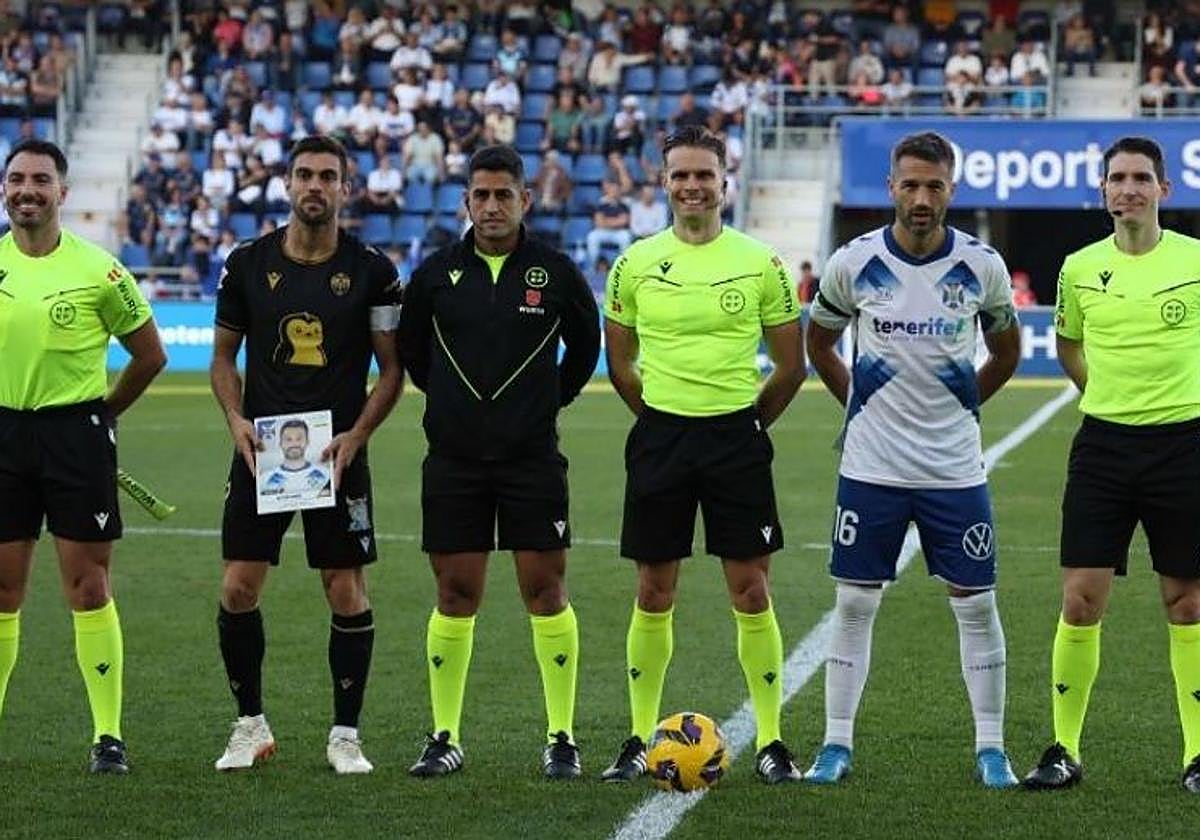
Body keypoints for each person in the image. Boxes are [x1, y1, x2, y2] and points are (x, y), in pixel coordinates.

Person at [802, 131, 1022, 789]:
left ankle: (991, 749)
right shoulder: (855, 262)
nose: (922, 199)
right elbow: (820, 343)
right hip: (870, 468)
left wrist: (965, 410)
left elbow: (1006, 352)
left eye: (934, 186)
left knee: (976, 605)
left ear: (950, 189)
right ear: (892, 187)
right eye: (911, 185)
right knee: (853, 605)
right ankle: (835, 745)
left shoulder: (983, 266)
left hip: (954, 470)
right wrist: (858, 409)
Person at [601, 125, 806, 785]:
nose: (693, 186)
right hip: (661, 438)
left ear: (725, 181)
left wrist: (744, 424)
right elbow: (621, 362)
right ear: (665, 182)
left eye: (704, 175)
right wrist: (663, 417)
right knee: (653, 590)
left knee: (750, 589)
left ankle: (772, 741)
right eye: (681, 175)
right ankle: (638, 737)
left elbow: (790, 366)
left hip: (734, 442)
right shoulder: (634, 263)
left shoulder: (760, 262)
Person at [397, 144, 600, 780]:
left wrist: (543, 404)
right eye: (480, 195)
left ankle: (561, 736)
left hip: (531, 461)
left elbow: (585, 349)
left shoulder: (556, 274)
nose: (491, 206)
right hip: (454, 461)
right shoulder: (434, 274)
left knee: (545, 590)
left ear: (525, 200)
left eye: (503, 195)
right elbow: (413, 357)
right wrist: (460, 409)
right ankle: (444, 735)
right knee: (456, 593)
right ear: (466, 202)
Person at [210, 135, 403, 776]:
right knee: (238, 587)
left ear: (346, 188)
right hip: (263, 451)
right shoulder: (245, 263)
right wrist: (236, 418)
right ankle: (250, 725)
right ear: (287, 184)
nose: (314, 186)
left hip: (336, 455)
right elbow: (221, 359)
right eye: (304, 175)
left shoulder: (373, 270)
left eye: (327, 176)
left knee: (345, 589)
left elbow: (392, 371)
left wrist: (358, 435)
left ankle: (345, 735)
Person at [1023, 136, 1200, 794]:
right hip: (1103, 446)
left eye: (1140, 178)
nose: (1128, 188)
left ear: (1164, 190)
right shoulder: (1078, 267)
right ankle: (1064, 749)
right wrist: (1103, 396)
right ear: (1102, 191)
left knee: (1186, 603)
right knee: (1081, 598)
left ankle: (1197, 754)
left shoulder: (1195, 260)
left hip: (1184, 445)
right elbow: (1068, 343)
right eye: (1117, 178)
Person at [0, 139, 167, 773]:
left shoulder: (101, 270)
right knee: (2, 588)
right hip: (4, 435)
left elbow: (148, 354)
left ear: (62, 194)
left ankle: (107, 736)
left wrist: (103, 416)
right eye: (16, 179)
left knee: (88, 585)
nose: (27, 190)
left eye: (40, 180)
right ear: (5, 188)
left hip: (77, 437)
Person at [260, 419, 331, 496]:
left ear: (307, 442)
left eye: (299, 439)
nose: (294, 444)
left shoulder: (326, 475)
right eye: (288, 439)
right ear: (280, 444)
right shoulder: (264, 479)